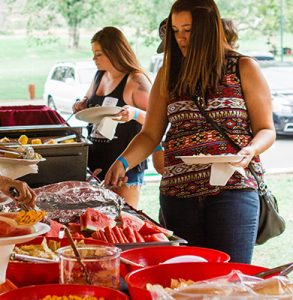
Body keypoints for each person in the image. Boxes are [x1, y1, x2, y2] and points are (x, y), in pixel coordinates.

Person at [104, 0, 276, 264]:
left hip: (233, 189)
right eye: (175, 30)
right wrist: (123, 162)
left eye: (188, 30)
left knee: (231, 277)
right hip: (178, 193)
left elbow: (266, 129)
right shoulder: (168, 74)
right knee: (185, 280)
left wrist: (250, 149)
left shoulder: (243, 68)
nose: (181, 38)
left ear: (208, 29)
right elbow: (150, 134)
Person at [73, 27, 151, 209]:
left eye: (98, 54)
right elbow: (87, 101)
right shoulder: (100, 76)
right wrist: (80, 104)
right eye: (93, 53)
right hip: (96, 162)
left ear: (114, 52)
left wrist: (134, 113)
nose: (94, 59)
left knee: (123, 219)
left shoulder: (136, 80)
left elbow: (156, 121)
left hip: (125, 165)